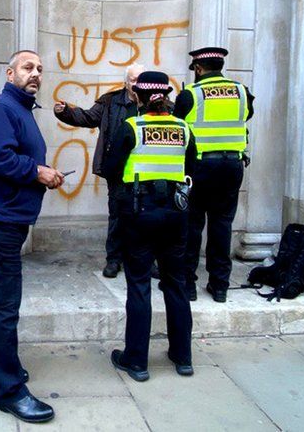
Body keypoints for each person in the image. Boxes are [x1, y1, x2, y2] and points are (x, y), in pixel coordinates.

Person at [0, 50, 65, 424]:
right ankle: (8, 391)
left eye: (39, 69)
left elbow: (13, 158)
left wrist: (43, 171)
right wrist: (38, 172)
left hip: (2, 218)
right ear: (9, 73)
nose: (35, 73)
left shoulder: (20, 110)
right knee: (3, 305)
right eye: (27, 67)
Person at [102, 70, 196, 381]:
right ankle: (183, 357)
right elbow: (191, 168)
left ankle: (137, 362)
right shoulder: (184, 128)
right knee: (176, 284)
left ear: (139, 96)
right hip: (176, 215)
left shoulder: (132, 126)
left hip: (139, 214)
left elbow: (111, 168)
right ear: (167, 95)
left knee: (139, 286)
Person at [173, 47, 254, 302]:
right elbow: (248, 115)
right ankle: (220, 286)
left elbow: (177, 127)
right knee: (222, 225)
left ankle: (187, 284)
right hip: (232, 166)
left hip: (201, 168)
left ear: (198, 69)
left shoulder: (191, 94)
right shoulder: (242, 91)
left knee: (193, 225)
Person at [54, 64, 144, 278]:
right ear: (126, 82)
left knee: (144, 216)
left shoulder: (155, 103)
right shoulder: (111, 101)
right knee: (117, 216)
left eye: (140, 80)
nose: (136, 84)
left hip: (147, 170)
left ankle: (144, 260)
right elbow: (87, 118)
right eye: (133, 80)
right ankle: (113, 260)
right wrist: (66, 111)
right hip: (119, 171)